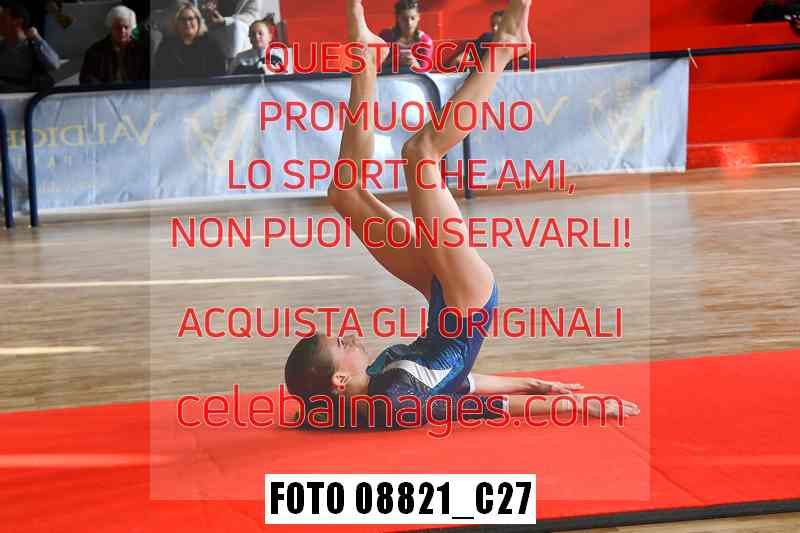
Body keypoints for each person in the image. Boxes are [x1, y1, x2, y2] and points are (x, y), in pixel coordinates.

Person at [284, 0, 640, 430]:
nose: (351, 335)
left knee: (344, 193)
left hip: (441, 300)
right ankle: (504, 48)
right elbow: (467, 402)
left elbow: (453, 382)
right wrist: (572, 405)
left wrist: (531, 383)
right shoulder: (394, 401)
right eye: (341, 343)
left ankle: (368, 61)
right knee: (421, 154)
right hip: (468, 305)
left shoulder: (369, 386)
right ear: (339, 378)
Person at [152, 2, 226, 80]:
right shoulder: (166, 46)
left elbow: (219, 74)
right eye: (182, 19)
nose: (187, 23)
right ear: (176, 23)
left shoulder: (211, 45)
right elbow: (160, 75)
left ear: (198, 21)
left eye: (190, 18)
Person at [80, 6, 149, 85]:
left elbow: (147, 78)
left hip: (135, 91)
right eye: (118, 27)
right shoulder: (95, 51)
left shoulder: (142, 50)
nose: (122, 31)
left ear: (132, 28)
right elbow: (86, 78)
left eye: (126, 27)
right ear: (111, 28)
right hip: (105, 92)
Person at [0, 2, 60, 92]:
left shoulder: (33, 44)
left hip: (29, 95)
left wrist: (38, 39)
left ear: (18, 22)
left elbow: (54, 64)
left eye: (3, 18)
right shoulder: (2, 46)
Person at [200, 0, 268, 61]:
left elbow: (252, 17)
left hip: (241, 35)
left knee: (236, 26)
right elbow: (200, 10)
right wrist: (207, 10)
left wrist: (225, 21)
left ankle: (233, 64)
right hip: (215, 31)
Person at [379, 0, 433, 71]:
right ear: (397, 18)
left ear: (418, 17)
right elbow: (376, 67)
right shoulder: (386, 36)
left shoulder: (425, 41)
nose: (409, 23)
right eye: (404, 19)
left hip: (415, 77)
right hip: (389, 77)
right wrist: (394, 60)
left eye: (413, 18)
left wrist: (414, 63)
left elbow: (426, 71)